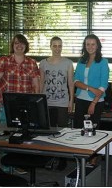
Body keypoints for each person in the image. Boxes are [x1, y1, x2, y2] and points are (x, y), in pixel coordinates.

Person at [0, 33, 40, 174]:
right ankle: (6, 167)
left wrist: (36, 105)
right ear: (12, 45)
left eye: (22, 43)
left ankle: (17, 163)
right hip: (5, 106)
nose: (19, 45)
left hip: (24, 106)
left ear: (26, 46)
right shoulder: (4, 61)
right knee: (7, 136)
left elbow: (36, 85)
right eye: (16, 43)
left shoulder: (31, 63)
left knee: (21, 135)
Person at [39, 36, 74, 171]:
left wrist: (71, 101)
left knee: (62, 132)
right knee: (49, 132)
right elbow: (41, 82)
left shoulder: (68, 63)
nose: (57, 49)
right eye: (55, 46)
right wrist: (40, 100)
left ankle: (62, 159)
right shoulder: (43, 63)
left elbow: (71, 84)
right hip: (47, 102)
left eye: (60, 46)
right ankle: (49, 158)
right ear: (50, 46)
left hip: (62, 102)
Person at [74, 34, 109, 130]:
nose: (90, 47)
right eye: (88, 44)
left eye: (93, 44)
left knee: (92, 131)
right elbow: (76, 81)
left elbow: (103, 86)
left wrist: (93, 103)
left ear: (97, 46)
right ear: (84, 46)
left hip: (96, 102)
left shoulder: (103, 62)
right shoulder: (81, 61)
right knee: (78, 130)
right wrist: (90, 88)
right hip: (80, 99)